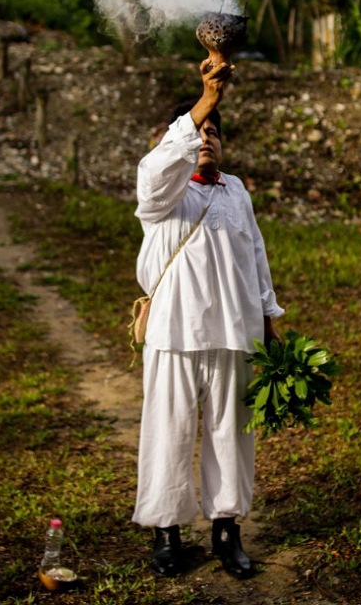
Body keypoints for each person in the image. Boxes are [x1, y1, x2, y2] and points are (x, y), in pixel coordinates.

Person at [132, 58, 285, 579]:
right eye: (197, 132)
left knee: (231, 436)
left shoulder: (236, 191)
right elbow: (156, 169)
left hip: (233, 333)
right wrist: (206, 100)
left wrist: (267, 315)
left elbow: (255, 255)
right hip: (174, 333)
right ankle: (167, 533)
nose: (205, 139)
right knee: (168, 433)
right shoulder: (162, 194)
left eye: (213, 133)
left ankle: (227, 530)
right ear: (175, 142)